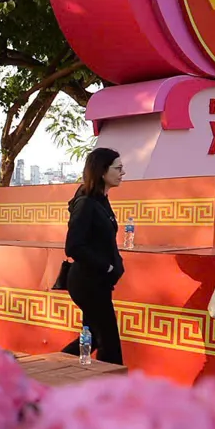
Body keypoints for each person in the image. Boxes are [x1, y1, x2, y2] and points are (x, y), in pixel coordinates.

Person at [62, 147, 126, 365]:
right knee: (109, 344)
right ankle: (111, 385)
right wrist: (107, 266)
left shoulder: (101, 200)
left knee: (91, 339)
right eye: (117, 168)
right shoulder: (86, 203)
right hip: (87, 283)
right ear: (102, 171)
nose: (122, 173)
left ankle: (52, 367)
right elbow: (73, 247)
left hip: (99, 282)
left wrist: (116, 264)